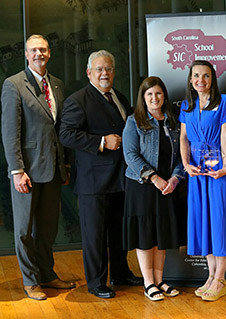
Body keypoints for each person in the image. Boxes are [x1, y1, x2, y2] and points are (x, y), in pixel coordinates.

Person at [59, 50, 142, 299]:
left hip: (120, 178)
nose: (104, 73)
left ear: (114, 71)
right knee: (95, 236)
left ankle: (120, 272)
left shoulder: (119, 97)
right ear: (89, 73)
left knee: (118, 232)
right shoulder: (78, 100)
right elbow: (66, 134)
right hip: (92, 183)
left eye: (108, 68)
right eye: (99, 69)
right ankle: (96, 282)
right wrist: (101, 142)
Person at [1, 34, 75, 300]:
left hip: (53, 169)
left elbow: (59, 130)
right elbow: (10, 133)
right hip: (27, 172)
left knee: (47, 228)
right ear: (26, 54)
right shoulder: (13, 85)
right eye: (33, 50)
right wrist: (17, 170)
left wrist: (64, 164)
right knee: (24, 230)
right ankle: (31, 281)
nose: (38, 54)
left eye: (42, 49)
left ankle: (47, 274)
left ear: (49, 53)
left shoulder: (56, 85)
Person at [122, 76, 185, 301]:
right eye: (149, 94)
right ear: (143, 98)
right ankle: (148, 282)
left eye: (158, 93)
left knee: (161, 233)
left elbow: (182, 155)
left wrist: (175, 178)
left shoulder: (174, 122)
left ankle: (160, 280)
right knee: (146, 235)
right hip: (142, 186)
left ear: (164, 95)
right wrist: (154, 178)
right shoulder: (134, 121)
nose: (154, 98)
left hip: (167, 186)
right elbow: (130, 156)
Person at [179, 60, 226, 302]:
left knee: (219, 223)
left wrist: (225, 166)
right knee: (204, 224)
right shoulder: (187, 105)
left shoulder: (224, 102)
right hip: (196, 173)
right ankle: (211, 276)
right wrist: (185, 164)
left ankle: (221, 279)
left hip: (217, 173)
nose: (200, 80)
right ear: (190, 80)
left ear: (212, 78)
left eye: (205, 76)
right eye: (196, 76)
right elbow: (183, 138)